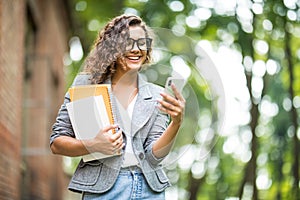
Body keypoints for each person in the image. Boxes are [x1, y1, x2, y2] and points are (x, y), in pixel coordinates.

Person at [50, 14, 185, 199]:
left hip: (149, 190)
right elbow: (57, 143)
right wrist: (93, 145)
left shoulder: (156, 95)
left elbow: (154, 157)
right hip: (104, 191)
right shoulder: (87, 86)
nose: (136, 49)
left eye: (141, 42)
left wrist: (176, 123)